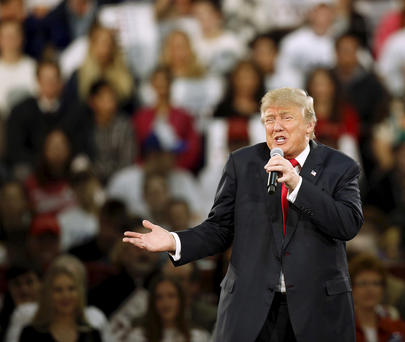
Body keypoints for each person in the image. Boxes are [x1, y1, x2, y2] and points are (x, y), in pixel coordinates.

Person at [124, 87, 364, 341]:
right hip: (252, 310)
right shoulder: (243, 163)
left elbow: (347, 224)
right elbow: (220, 229)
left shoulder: (340, 167)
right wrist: (175, 241)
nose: (277, 126)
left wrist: (298, 185)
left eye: (287, 117)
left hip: (317, 312)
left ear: (309, 125)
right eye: (269, 119)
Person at [19, 261, 103, 342]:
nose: (66, 296)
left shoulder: (92, 335)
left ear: (80, 293)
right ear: (48, 294)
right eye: (58, 290)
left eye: (71, 288)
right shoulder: (30, 334)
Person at [349, 253, 405, 342]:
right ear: (351, 288)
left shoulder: (400, 329)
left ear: (383, 288)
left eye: (376, 283)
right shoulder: (342, 330)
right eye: (363, 283)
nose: (370, 289)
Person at [126, 273, 210, 342]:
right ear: (152, 303)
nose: (165, 303)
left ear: (181, 300)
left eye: (171, 296)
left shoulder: (198, 337)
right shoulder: (138, 336)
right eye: (159, 297)